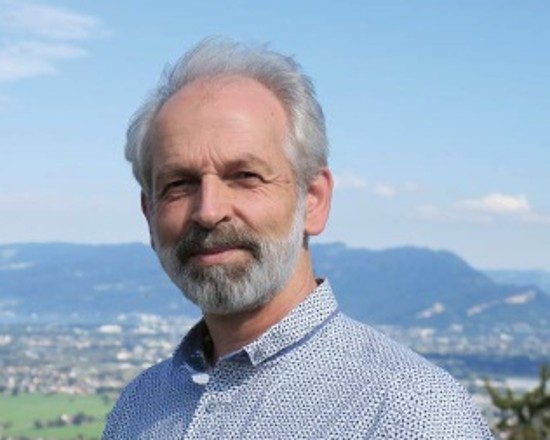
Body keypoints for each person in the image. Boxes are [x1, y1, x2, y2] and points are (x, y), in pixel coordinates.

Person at [103, 37, 493, 439]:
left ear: (314, 200)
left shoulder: (410, 413)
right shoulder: (139, 406)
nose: (208, 211)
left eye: (245, 176)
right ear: (149, 215)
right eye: (178, 184)